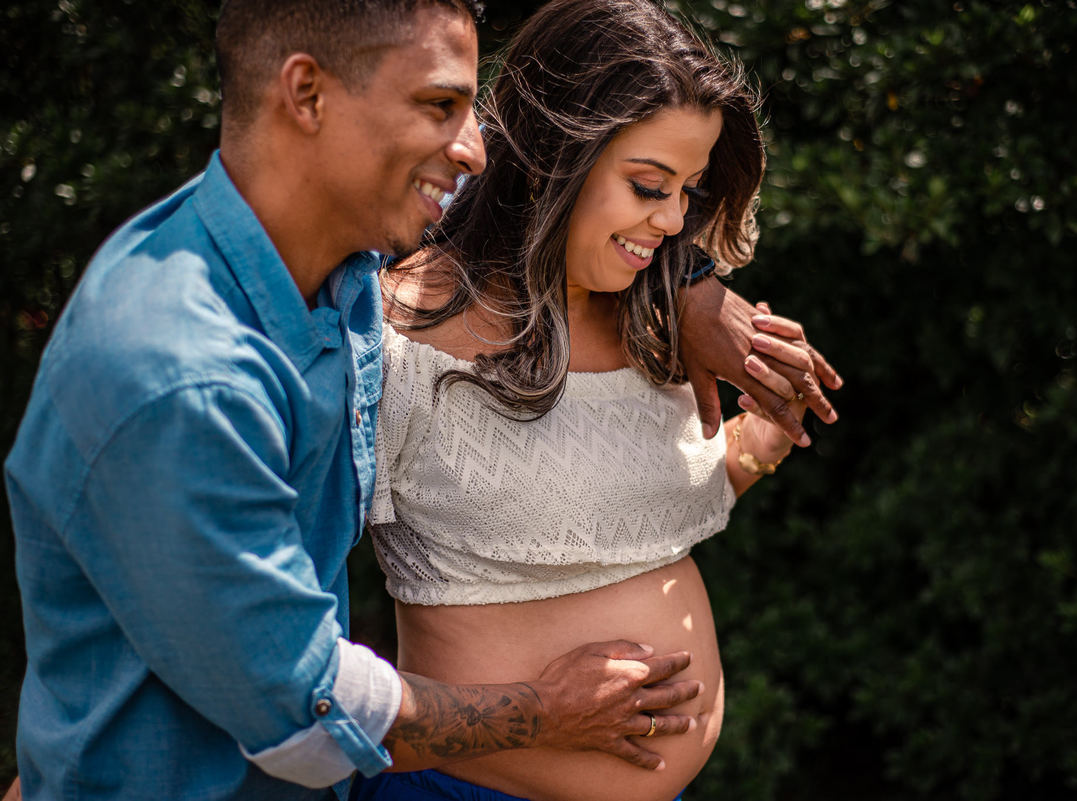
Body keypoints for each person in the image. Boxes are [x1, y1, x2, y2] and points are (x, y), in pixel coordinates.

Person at [4, 0, 838, 799]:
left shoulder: (338, 265)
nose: (474, 148)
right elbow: (306, 711)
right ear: (307, 94)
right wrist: (544, 711)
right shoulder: (181, 379)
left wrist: (691, 286)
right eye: (440, 106)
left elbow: (539, 176)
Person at [356, 1, 841, 800]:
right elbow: (286, 635)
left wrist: (766, 432)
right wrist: (537, 712)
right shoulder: (396, 336)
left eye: (688, 190)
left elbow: (623, 510)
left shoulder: (651, 317)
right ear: (551, 154)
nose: (674, 220)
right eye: (649, 185)